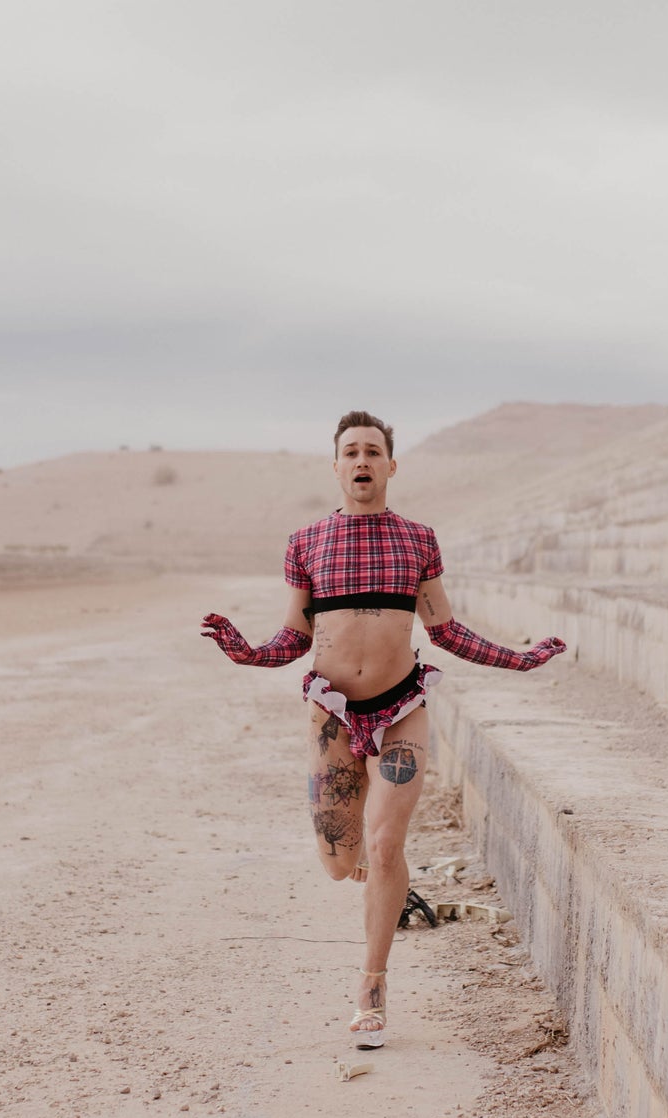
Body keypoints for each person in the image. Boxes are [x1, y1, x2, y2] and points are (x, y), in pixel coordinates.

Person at [201, 411, 566, 1047]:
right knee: (340, 863)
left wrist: (520, 657)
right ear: (336, 466)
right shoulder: (306, 542)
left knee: (386, 842)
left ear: (391, 466)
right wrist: (246, 652)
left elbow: (445, 629)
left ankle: (372, 982)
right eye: (351, 452)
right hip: (331, 715)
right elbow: (295, 635)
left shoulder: (418, 540)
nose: (362, 461)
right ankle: (367, 866)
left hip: (401, 707)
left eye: (374, 451)